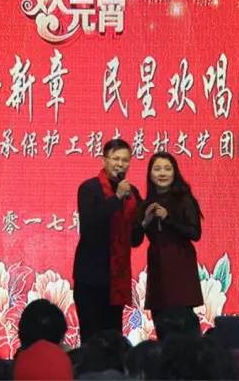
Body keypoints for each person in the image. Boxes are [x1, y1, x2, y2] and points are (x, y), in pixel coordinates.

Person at [73, 139, 145, 343]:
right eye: (115, 158)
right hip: (91, 275)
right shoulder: (89, 188)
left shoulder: (132, 194)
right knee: (91, 335)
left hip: (117, 278)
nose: (120, 164)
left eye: (125, 160)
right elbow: (89, 227)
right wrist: (116, 198)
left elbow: (135, 240)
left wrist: (144, 221)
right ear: (104, 160)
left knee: (114, 337)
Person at [139, 152, 204, 323]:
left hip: (180, 261)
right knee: (160, 317)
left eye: (167, 169)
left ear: (175, 172)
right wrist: (145, 221)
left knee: (181, 319)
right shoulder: (147, 203)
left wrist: (168, 218)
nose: (162, 173)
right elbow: (137, 237)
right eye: (157, 169)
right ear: (150, 174)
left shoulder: (184, 199)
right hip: (157, 262)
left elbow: (195, 233)